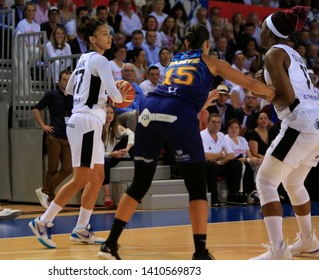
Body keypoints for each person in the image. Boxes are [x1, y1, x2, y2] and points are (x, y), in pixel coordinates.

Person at [98, 23, 275, 260]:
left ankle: (110, 244)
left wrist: (203, 100)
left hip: (148, 111)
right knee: (197, 187)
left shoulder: (175, 60)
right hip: (176, 114)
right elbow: (251, 85)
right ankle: (200, 251)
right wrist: (276, 94)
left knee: (140, 183)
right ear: (207, 45)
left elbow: (173, 95)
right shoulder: (212, 61)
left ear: (187, 44)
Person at [29, 16, 124, 248]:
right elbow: (118, 97)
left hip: (87, 121)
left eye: (110, 34)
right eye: (104, 33)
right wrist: (119, 91)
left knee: (98, 176)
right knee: (81, 178)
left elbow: (70, 88)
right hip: (87, 123)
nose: (109, 37)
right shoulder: (101, 61)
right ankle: (43, 221)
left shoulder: (82, 59)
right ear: (92, 39)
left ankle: (81, 228)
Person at [250, 7, 319, 260]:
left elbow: (287, 98)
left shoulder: (272, 53)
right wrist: (266, 82)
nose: (258, 30)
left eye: (261, 27)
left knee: (266, 182)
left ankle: (278, 251)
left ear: (268, 30)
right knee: (294, 182)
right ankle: (309, 241)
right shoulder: (294, 55)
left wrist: (259, 90)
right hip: (317, 122)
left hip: (300, 121)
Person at [33, 69, 73, 208]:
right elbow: (36, 108)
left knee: (68, 168)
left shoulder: (75, 96)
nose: (67, 82)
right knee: (52, 168)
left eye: (69, 79)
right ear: (59, 81)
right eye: (64, 80)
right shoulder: (52, 95)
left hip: (69, 137)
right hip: (54, 136)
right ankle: (50, 196)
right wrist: (43, 125)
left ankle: (44, 191)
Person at [101, 105, 134, 208]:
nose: (109, 115)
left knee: (129, 139)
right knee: (105, 160)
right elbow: (95, 153)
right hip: (99, 160)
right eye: (107, 113)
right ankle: (106, 196)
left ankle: (138, 169)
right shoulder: (97, 128)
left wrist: (127, 149)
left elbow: (131, 134)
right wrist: (111, 154)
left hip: (112, 157)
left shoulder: (116, 127)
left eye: (111, 113)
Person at [224, 118, 261, 204]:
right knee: (242, 165)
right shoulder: (226, 139)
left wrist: (256, 160)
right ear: (228, 129)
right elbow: (232, 157)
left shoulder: (242, 139)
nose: (234, 129)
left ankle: (256, 191)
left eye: (236, 127)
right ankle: (239, 193)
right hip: (232, 163)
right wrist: (248, 159)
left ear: (239, 129)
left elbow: (250, 155)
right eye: (231, 127)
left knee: (259, 164)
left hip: (245, 161)